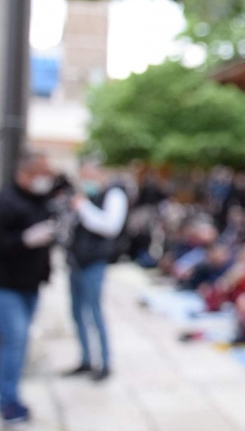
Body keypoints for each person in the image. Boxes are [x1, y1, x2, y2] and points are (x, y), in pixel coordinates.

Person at [0, 152, 56, 423]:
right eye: (40, 174)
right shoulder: (6, 201)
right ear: (24, 174)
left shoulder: (38, 200)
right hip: (7, 284)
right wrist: (23, 239)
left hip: (31, 283)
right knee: (16, 340)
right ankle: (8, 400)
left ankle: (9, 392)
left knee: (17, 343)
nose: (44, 180)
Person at [64, 161, 129, 382]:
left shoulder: (114, 195)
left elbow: (110, 226)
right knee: (76, 312)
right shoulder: (84, 196)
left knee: (94, 312)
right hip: (76, 261)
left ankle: (104, 362)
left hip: (94, 263)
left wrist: (83, 207)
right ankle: (85, 358)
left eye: (89, 175)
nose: (86, 180)